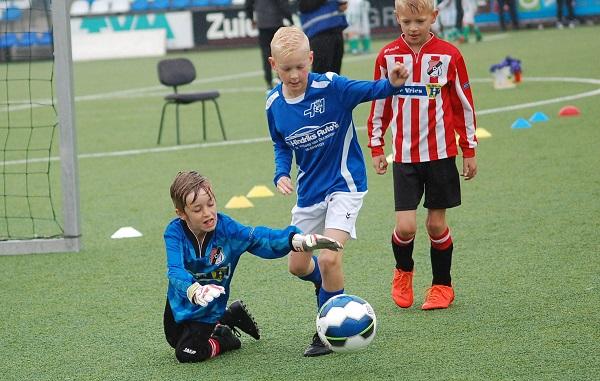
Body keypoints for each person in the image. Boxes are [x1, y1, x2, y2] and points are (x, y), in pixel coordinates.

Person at [266, 26, 409, 356]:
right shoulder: (273, 103)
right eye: (286, 68)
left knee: (330, 257)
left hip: (345, 186)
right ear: (273, 64)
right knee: (298, 266)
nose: (294, 74)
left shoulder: (331, 86)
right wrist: (280, 173)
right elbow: (280, 143)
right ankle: (325, 288)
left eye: (300, 66)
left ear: (310, 59)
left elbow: (372, 90)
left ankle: (326, 330)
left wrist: (392, 84)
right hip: (309, 194)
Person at [163, 170, 343, 363]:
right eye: (197, 210)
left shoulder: (227, 230)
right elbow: (175, 270)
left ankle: (223, 338)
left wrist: (298, 241)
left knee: (188, 352)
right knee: (175, 339)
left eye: (211, 204)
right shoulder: (174, 232)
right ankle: (229, 317)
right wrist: (195, 290)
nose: (207, 213)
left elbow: (260, 238)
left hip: (209, 308)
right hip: (180, 301)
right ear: (181, 213)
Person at [366, 0, 478, 311]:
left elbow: (462, 105)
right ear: (396, 19)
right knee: (405, 227)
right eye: (407, 22)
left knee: (436, 226)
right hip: (403, 157)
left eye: (420, 21)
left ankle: (442, 286)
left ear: (434, 17)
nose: (413, 28)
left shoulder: (449, 54)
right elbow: (380, 103)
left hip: (441, 156)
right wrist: (377, 146)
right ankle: (403, 271)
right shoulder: (388, 56)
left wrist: (469, 149)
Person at [245, 0, 293, 90]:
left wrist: (251, 18)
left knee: (265, 53)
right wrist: (290, 20)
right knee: (281, 52)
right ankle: (281, 79)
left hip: (263, 24)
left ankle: (269, 82)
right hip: (276, 23)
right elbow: (283, 4)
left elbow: (248, 4)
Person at [298, 0, 349, 74]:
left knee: (335, 76)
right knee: (321, 76)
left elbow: (342, 6)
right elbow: (304, 5)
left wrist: (342, 3)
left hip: (336, 28)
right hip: (319, 32)